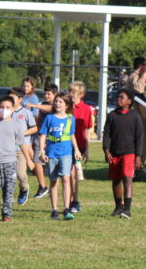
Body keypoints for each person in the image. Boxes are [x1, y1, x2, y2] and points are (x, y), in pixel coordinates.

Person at [0, 95, 35, 221]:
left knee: (8, 189)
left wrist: (29, 160)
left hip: (10, 162)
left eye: (7, 107)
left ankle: (7, 214)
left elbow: (22, 144)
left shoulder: (16, 125)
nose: (4, 109)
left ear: (12, 109)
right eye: (1, 107)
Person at [39, 92, 81, 220]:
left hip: (66, 153)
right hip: (51, 154)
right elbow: (42, 136)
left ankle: (66, 208)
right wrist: (41, 151)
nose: (57, 104)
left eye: (61, 102)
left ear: (67, 105)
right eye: (56, 101)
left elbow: (72, 135)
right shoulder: (49, 118)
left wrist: (77, 150)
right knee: (53, 181)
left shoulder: (70, 119)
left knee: (66, 179)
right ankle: (54, 209)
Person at [102, 89, 143, 219]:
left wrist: (138, 156)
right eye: (118, 97)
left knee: (127, 178)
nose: (118, 99)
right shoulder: (112, 115)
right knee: (116, 180)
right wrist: (107, 150)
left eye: (122, 97)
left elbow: (139, 137)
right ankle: (118, 207)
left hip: (129, 153)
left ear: (129, 101)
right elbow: (107, 134)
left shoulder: (135, 116)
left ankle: (127, 209)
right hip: (114, 153)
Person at [25, 84, 58, 199]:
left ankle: (51, 187)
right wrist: (37, 134)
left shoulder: (57, 105)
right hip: (41, 136)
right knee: (37, 160)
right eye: (45, 93)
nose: (46, 95)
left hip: (53, 138)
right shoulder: (43, 104)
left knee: (53, 163)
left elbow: (50, 109)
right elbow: (39, 120)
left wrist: (35, 105)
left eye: (49, 93)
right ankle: (42, 186)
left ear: (55, 94)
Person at [8, 87, 37, 206]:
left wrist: (22, 133)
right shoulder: (6, 111)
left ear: (20, 99)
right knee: (9, 175)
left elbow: (34, 128)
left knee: (20, 174)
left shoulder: (26, 113)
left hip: (21, 149)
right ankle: (8, 198)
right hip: (7, 149)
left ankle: (24, 189)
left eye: (12, 98)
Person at [68, 81, 93, 214]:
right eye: (70, 91)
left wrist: (87, 150)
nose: (71, 95)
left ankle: (75, 201)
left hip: (79, 145)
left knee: (72, 175)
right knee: (66, 176)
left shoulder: (86, 109)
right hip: (65, 144)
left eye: (74, 92)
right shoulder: (65, 106)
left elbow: (88, 130)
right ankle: (70, 201)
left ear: (81, 94)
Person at [125, 57, 146, 171]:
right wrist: (145, 74)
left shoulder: (141, 77)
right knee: (139, 144)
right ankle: (133, 170)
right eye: (145, 65)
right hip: (135, 115)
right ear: (141, 66)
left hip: (142, 114)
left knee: (145, 145)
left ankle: (137, 169)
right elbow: (138, 89)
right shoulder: (134, 77)